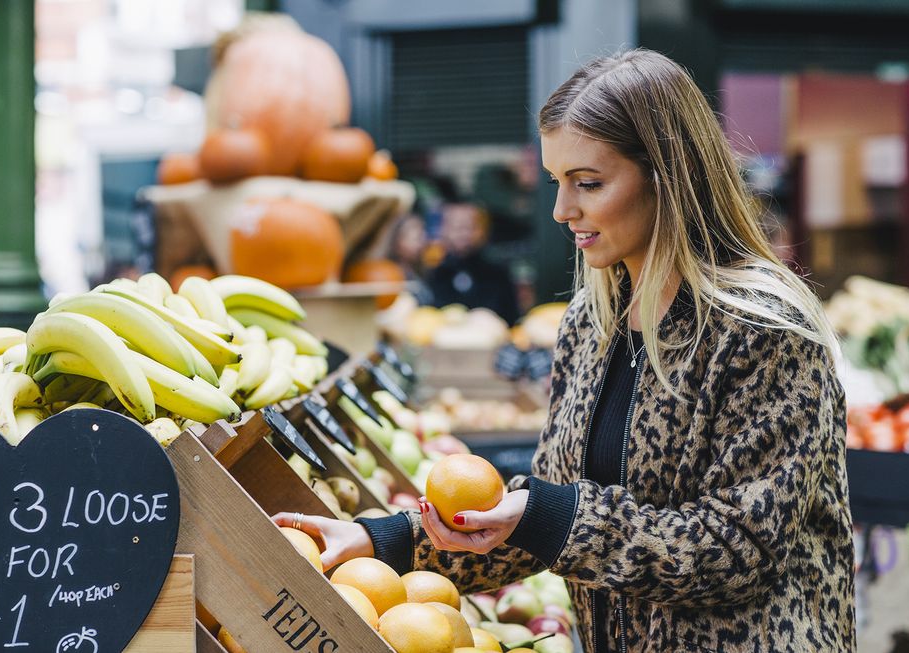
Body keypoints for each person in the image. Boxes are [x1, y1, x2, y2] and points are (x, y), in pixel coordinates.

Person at [274, 49, 855, 652]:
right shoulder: (593, 321)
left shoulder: (764, 330)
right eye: (557, 181)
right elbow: (538, 513)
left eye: (589, 183)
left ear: (666, 176)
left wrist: (556, 518)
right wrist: (383, 541)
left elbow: (741, 548)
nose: (561, 210)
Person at [426, 202, 521, 325]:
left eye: (470, 227)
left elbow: (511, 317)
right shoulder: (434, 273)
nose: (463, 234)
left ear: (483, 230)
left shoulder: (497, 274)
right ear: (443, 230)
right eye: (456, 227)